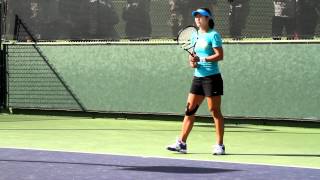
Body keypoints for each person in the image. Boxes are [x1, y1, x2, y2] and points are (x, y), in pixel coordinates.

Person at [166, 8, 225, 155]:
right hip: (198, 77)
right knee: (189, 110)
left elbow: (220, 55)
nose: (198, 19)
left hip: (212, 78)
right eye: (196, 17)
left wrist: (202, 59)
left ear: (208, 18)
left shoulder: (214, 35)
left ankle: (220, 145)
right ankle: (182, 143)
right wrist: (192, 62)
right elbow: (193, 55)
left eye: (201, 17)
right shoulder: (195, 36)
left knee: (215, 111)